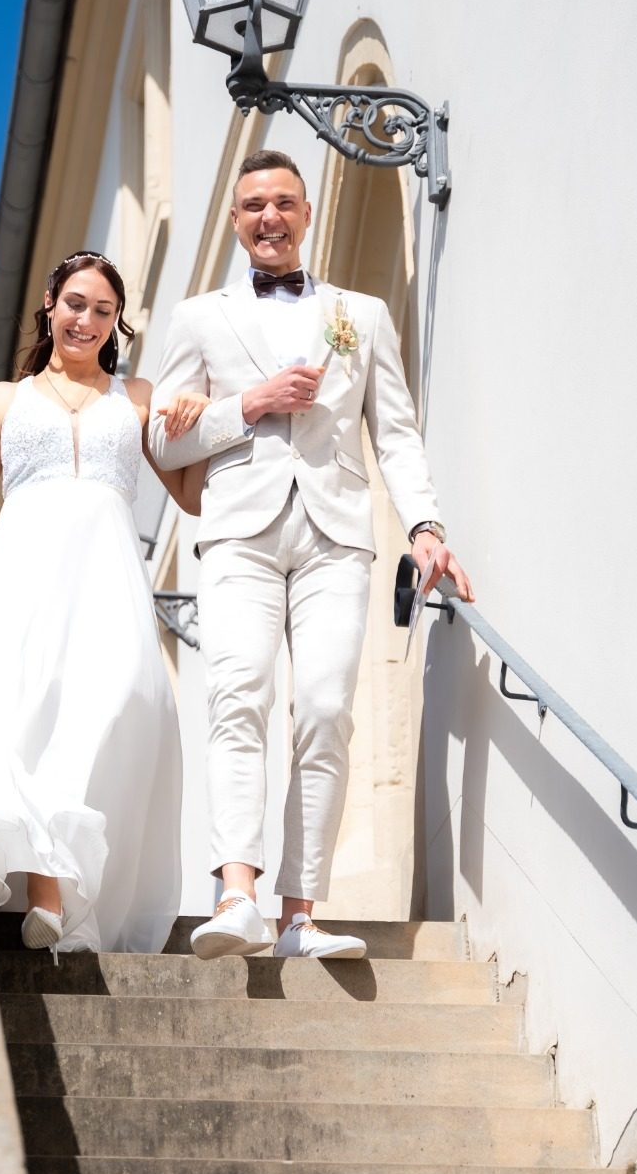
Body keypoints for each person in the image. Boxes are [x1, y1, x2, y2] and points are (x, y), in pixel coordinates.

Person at [149, 149, 473, 961]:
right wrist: (250, 404)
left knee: (326, 710)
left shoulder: (360, 315)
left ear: (305, 212)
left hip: (336, 534)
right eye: (254, 204)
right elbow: (163, 438)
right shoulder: (197, 318)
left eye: (284, 202)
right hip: (238, 532)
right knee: (238, 697)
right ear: (235, 220)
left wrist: (424, 525)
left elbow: (394, 432)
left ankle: (299, 916)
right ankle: (236, 897)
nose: (269, 216)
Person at [0, 251, 206, 952]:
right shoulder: (5, 399)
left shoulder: (138, 396)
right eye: (75, 304)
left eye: (102, 311)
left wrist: (205, 417)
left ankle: (75, 885)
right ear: (49, 306)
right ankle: (50, 895)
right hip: (24, 575)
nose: (86, 320)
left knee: (118, 704)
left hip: (109, 576)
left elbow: (191, 494)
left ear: (116, 323)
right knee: (21, 717)